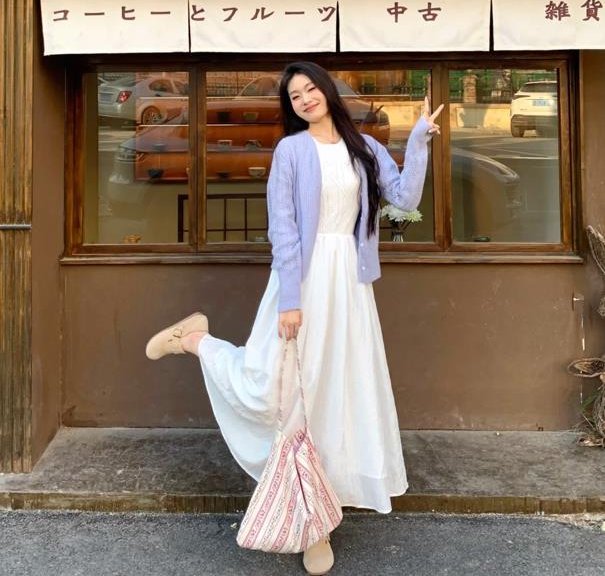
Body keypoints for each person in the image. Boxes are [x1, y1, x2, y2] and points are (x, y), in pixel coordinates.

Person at [145, 61, 443, 575]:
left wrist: (417, 141)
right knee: (275, 388)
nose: (305, 99)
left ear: (327, 91)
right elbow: (282, 228)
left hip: (349, 286)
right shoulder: (290, 151)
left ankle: (316, 522)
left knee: (334, 393)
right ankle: (195, 341)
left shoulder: (365, 148)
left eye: (310, 89)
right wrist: (289, 299)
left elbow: (403, 199)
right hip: (301, 281)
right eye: (295, 96)